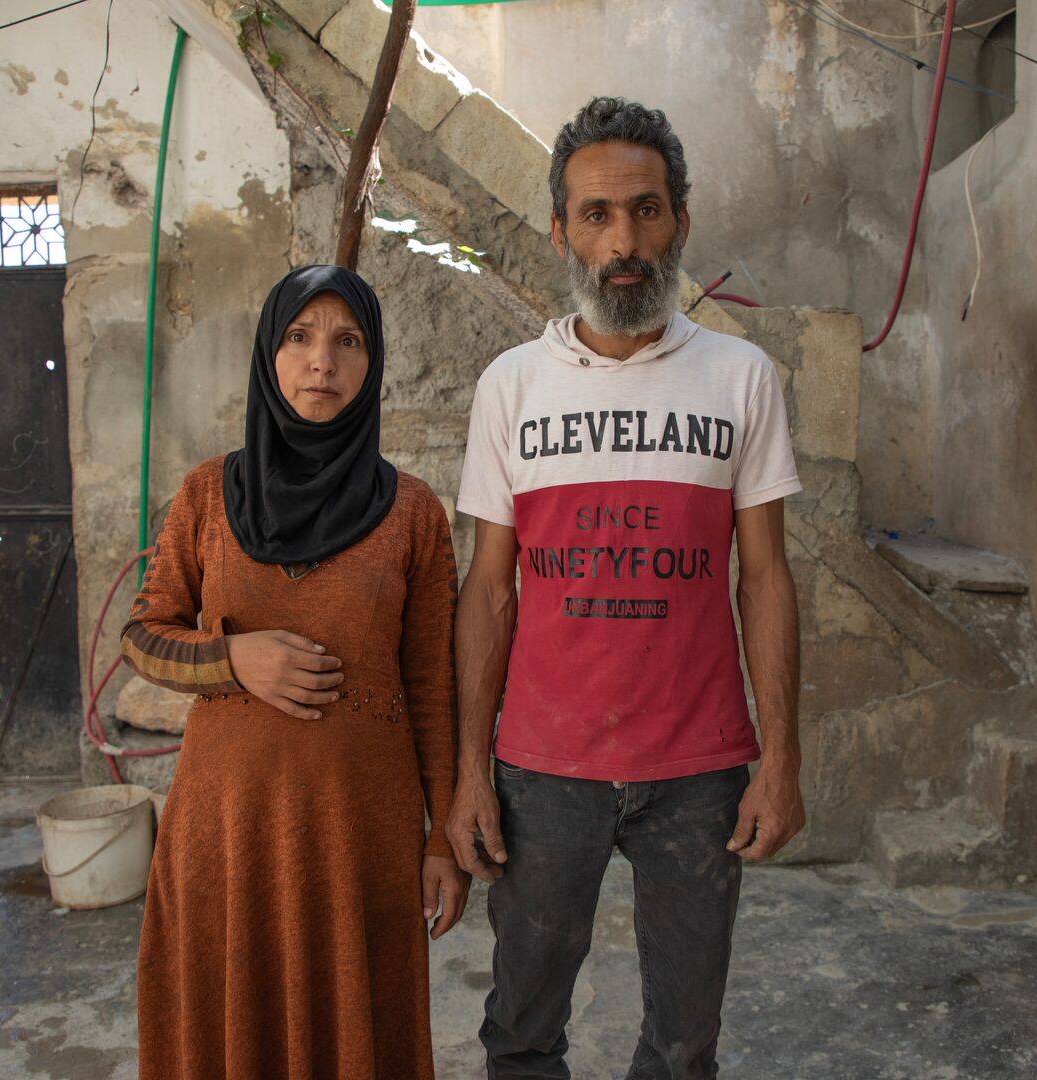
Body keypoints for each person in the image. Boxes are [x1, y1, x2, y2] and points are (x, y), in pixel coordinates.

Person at [446, 97, 807, 1079]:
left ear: (680, 221)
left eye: (646, 211)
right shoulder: (511, 387)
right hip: (543, 769)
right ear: (561, 231)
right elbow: (488, 591)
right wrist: (470, 769)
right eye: (597, 217)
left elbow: (766, 575)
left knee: (685, 1044)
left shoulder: (741, 378)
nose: (624, 242)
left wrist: (783, 759)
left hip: (697, 772)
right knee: (521, 1030)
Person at [122, 264, 469, 1080]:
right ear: (268, 358)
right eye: (300, 338)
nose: (323, 362)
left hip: (361, 838)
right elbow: (141, 636)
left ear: (373, 362)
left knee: (357, 1031)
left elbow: (433, 688)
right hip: (228, 834)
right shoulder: (209, 495)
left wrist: (443, 836)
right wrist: (231, 658)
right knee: (229, 1033)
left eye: (348, 342)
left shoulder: (411, 511)